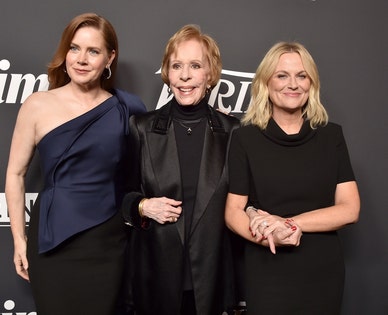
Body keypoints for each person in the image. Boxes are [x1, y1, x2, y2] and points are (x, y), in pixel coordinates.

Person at [5, 13, 146, 315]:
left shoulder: (127, 107)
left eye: (93, 51)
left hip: (107, 244)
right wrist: (19, 239)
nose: (81, 59)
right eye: (74, 48)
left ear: (110, 57)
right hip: (53, 242)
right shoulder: (37, 105)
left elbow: (149, 169)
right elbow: (15, 174)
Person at [224, 41, 360, 314]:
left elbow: (350, 208)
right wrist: (272, 236)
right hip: (267, 269)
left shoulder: (331, 136)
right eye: (282, 75)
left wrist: (290, 224)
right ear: (266, 82)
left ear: (312, 83)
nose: (293, 84)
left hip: (322, 273)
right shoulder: (244, 138)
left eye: (301, 75)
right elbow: (233, 213)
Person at [121, 25, 240, 315]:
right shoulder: (142, 128)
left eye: (195, 66)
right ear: (167, 73)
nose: (185, 76)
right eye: (176, 66)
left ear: (210, 74)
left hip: (211, 281)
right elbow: (121, 197)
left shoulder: (233, 132)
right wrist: (144, 206)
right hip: (155, 280)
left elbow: (244, 203)